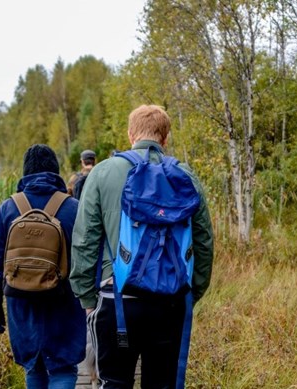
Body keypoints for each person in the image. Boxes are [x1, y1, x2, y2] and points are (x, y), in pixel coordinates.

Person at [69, 105, 214, 388]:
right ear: (165, 138)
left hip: (116, 299)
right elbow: (204, 241)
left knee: (114, 383)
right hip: (171, 300)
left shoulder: (102, 173)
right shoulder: (186, 176)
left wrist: (86, 298)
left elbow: (84, 240)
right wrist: (192, 293)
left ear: (130, 134)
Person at [0, 144, 86, 388]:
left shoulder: (8, 208)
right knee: (63, 369)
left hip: (22, 304)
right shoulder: (73, 208)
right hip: (63, 303)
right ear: (56, 171)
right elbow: (85, 260)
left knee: (34, 366)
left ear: (25, 171)